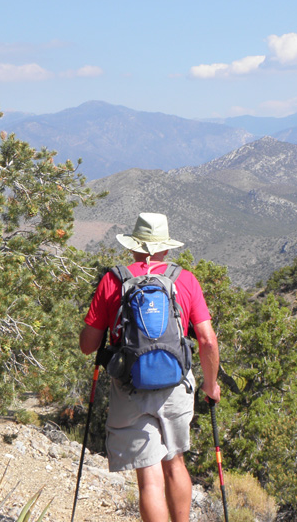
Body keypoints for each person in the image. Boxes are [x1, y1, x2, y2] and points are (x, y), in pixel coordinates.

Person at [79, 212, 221, 522]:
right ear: (166, 248)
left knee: (149, 478)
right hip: (175, 385)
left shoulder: (112, 280)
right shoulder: (185, 279)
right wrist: (211, 385)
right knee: (175, 463)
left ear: (133, 247)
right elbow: (208, 340)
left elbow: (88, 345)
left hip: (130, 387)